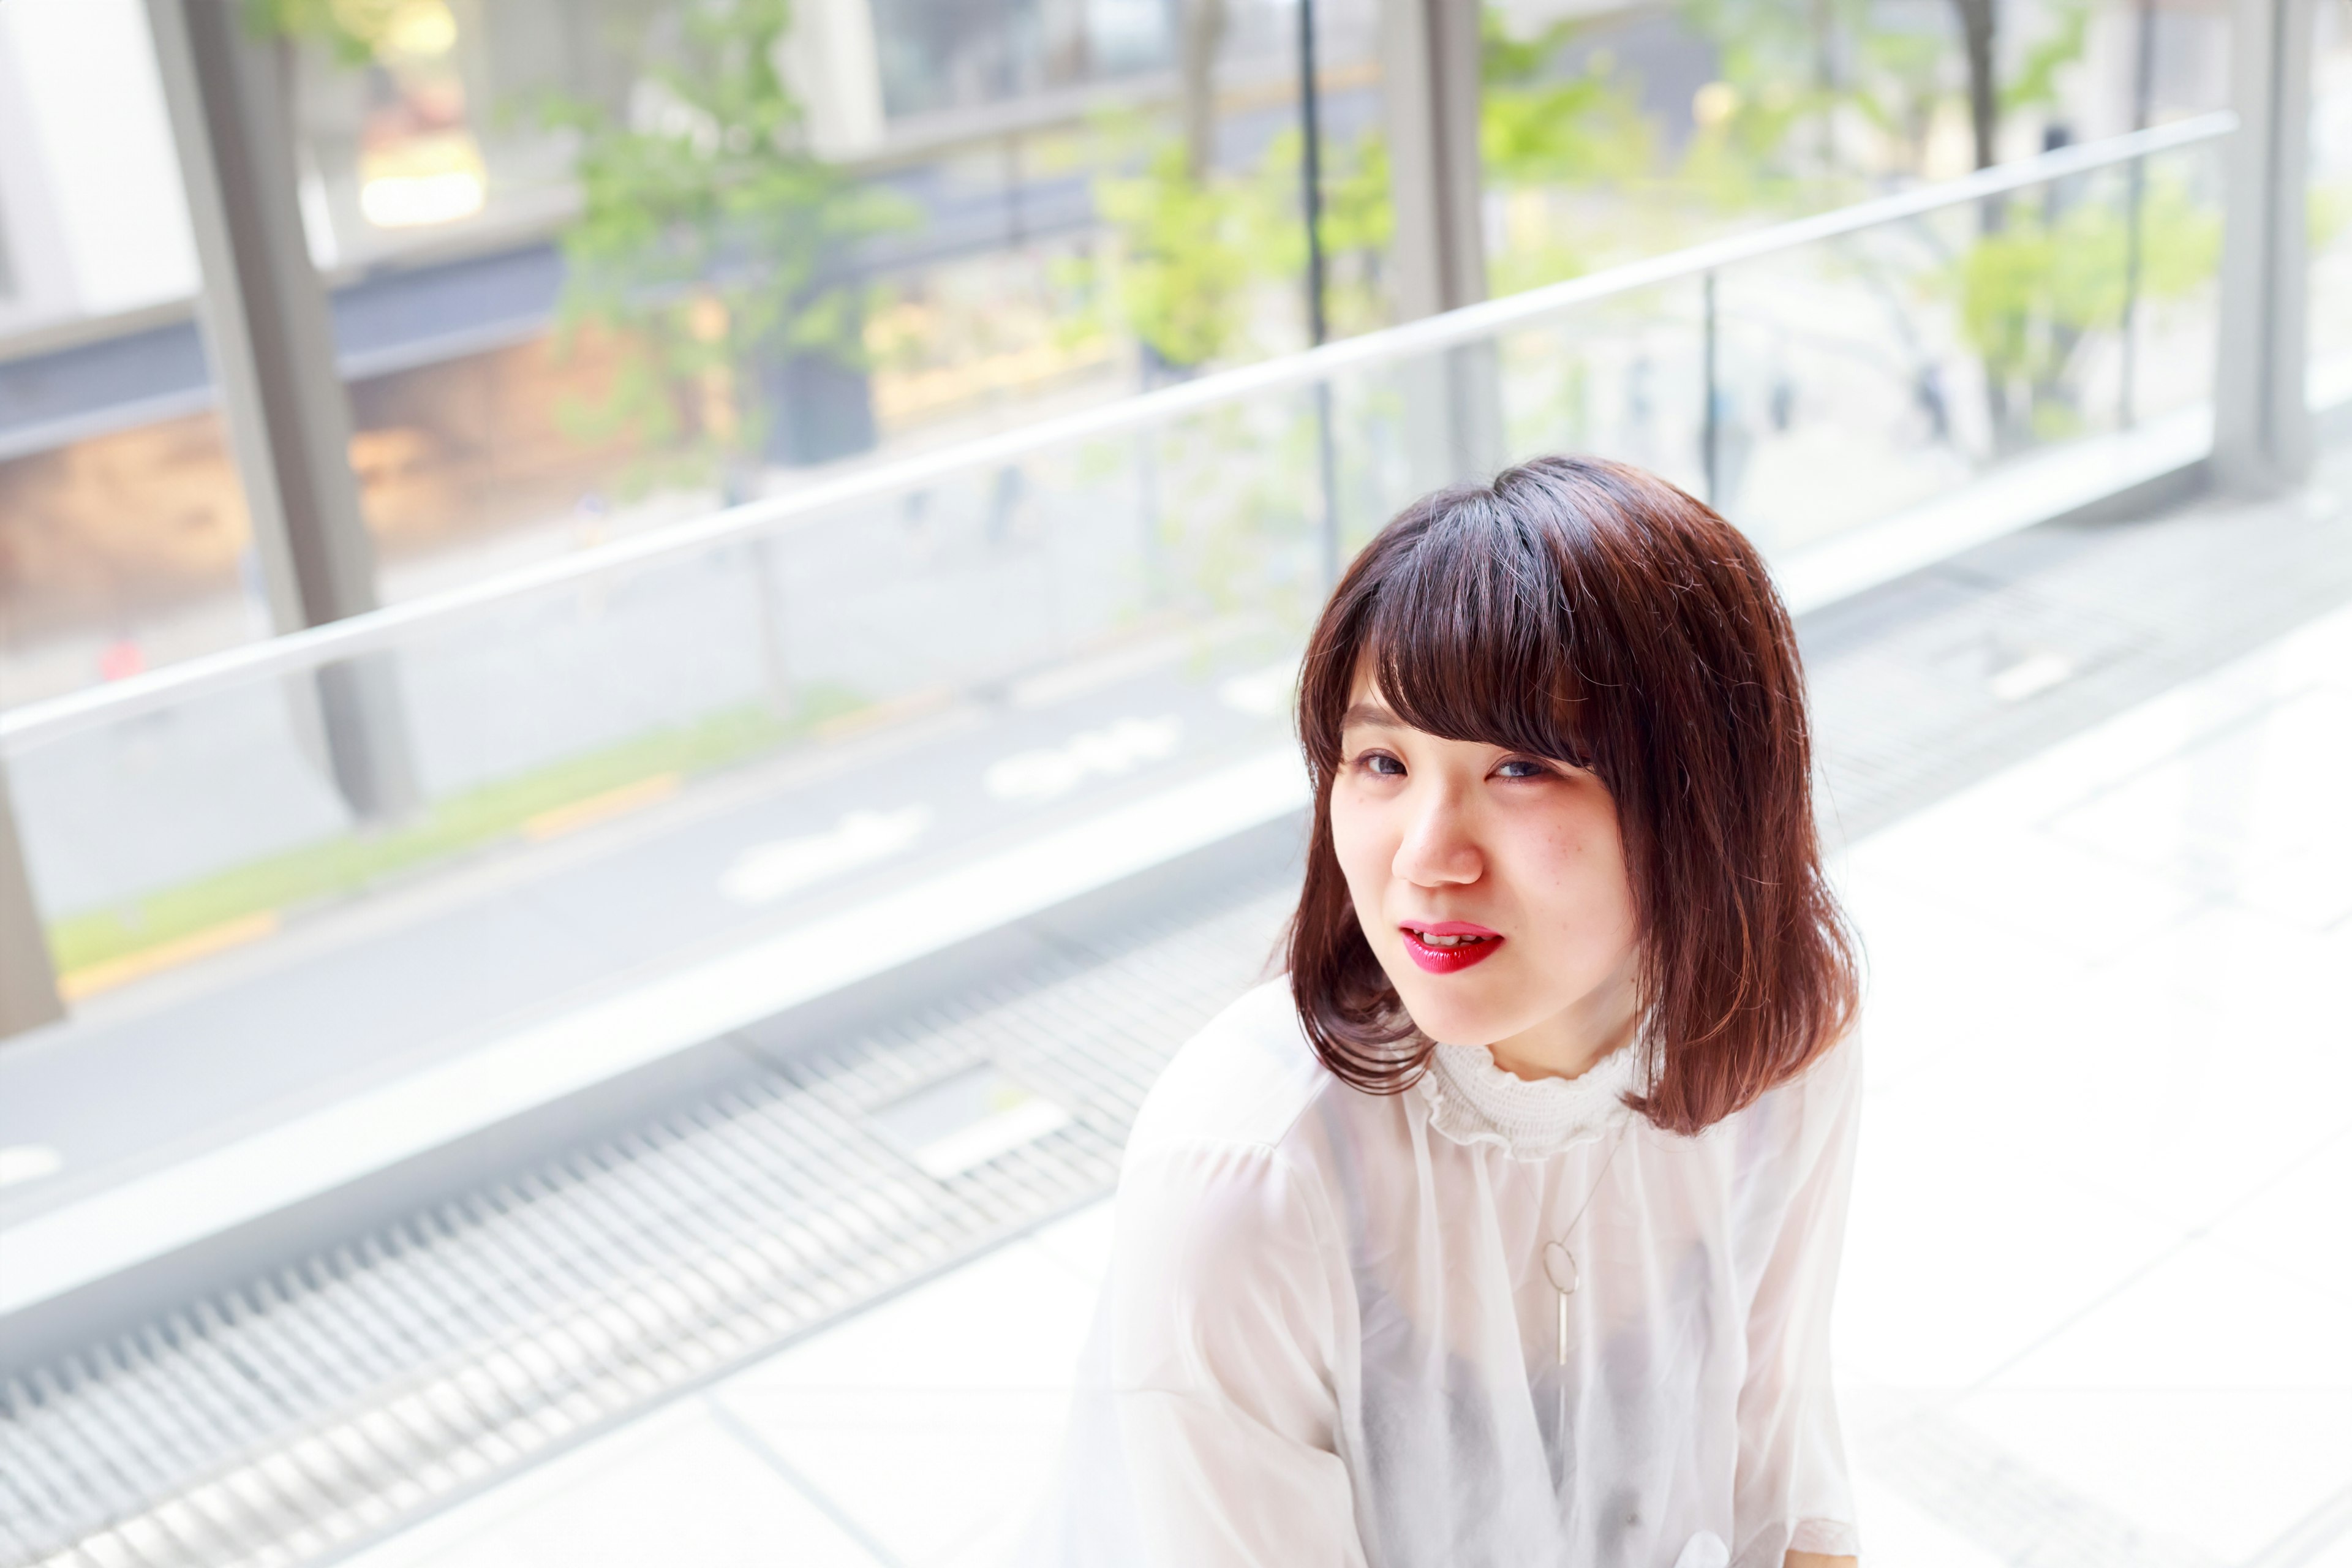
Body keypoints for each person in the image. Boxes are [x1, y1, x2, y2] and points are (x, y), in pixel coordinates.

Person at [1024, 455, 1863, 1567]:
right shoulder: (1249, 1173)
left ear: (1704, 791)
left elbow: (1780, 1460)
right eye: (1382, 760)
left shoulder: (1779, 1030)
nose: (1426, 858)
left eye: (1521, 768)